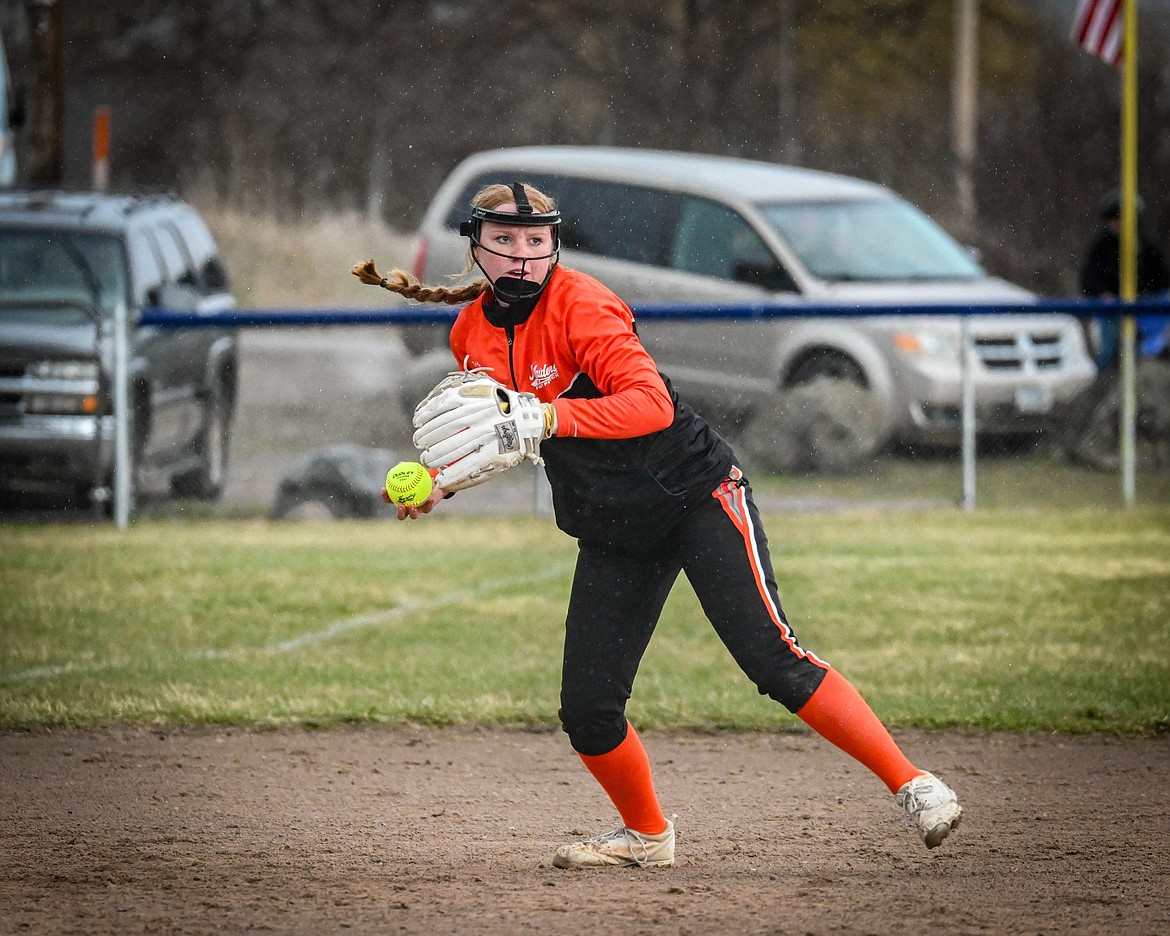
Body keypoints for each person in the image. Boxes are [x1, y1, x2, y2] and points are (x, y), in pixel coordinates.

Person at [354, 182, 962, 868]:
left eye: (536, 240)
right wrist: (440, 483)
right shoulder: (472, 331)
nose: (522, 255)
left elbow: (649, 406)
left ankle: (915, 785)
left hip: (695, 496)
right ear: (477, 245)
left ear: (554, 243)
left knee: (773, 660)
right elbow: (500, 438)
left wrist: (549, 415)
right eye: (504, 240)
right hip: (614, 525)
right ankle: (647, 837)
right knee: (587, 712)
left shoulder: (582, 303)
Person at [1078, 192, 1170, 370]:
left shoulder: (1146, 248)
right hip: (1112, 309)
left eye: (1119, 218)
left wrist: (1147, 296)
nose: (1116, 224)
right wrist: (1104, 294)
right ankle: (1103, 383)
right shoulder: (1101, 247)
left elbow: (1161, 279)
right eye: (1112, 219)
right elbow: (1089, 278)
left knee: (1149, 349)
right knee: (1109, 350)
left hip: (1144, 309)